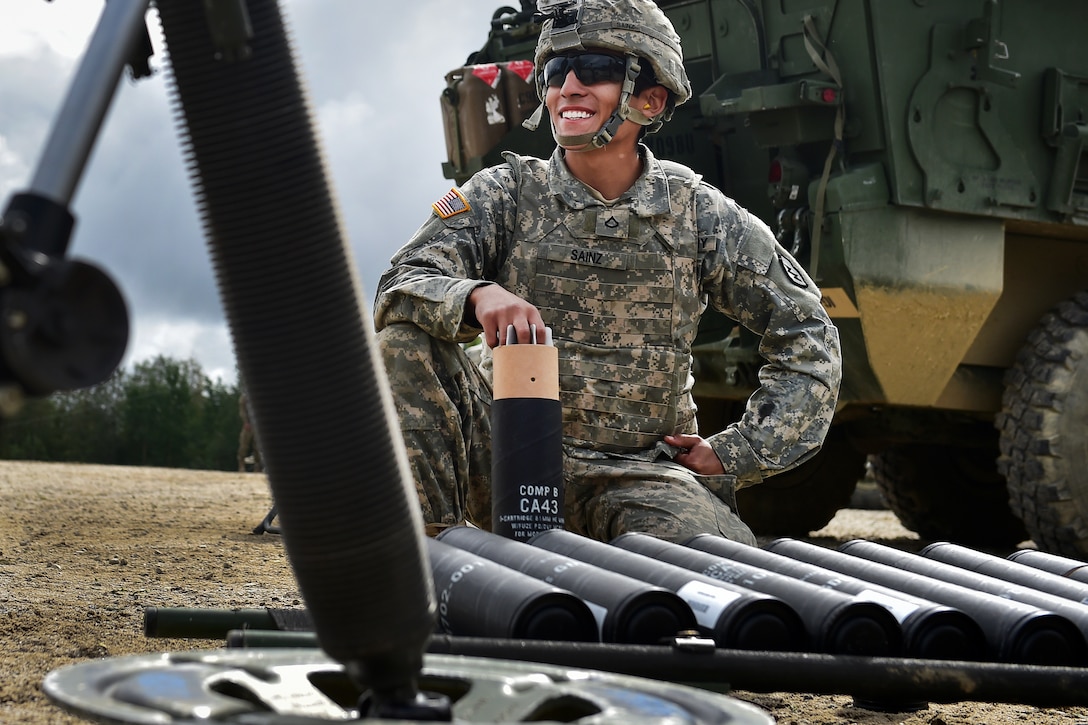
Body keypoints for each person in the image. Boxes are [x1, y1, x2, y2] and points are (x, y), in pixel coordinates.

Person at [374, 0, 841, 544]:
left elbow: (808, 333)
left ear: (651, 98)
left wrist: (738, 452)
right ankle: (434, 558)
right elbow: (399, 285)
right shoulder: (503, 194)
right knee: (405, 343)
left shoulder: (698, 213)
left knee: (712, 583)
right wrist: (475, 295)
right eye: (554, 73)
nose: (568, 87)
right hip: (508, 458)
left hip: (642, 475)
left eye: (595, 70)